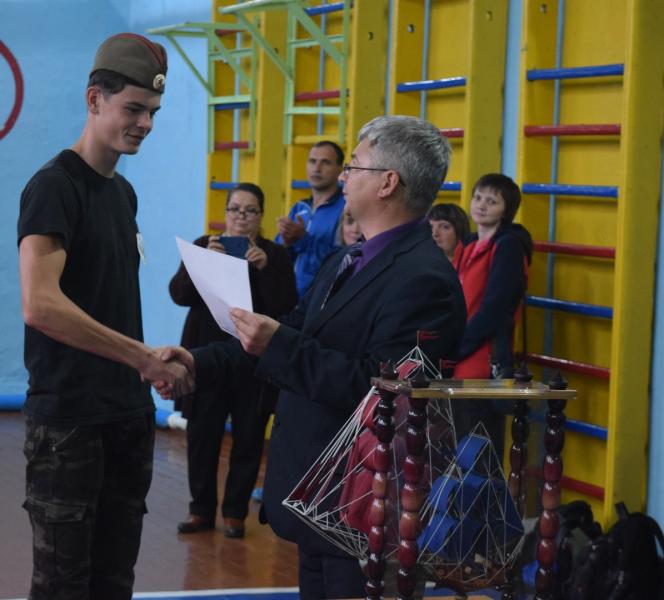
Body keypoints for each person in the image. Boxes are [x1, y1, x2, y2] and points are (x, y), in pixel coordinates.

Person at [158, 115, 467, 599]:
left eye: (354, 165)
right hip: (318, 497)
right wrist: (199, 362)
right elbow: (290, 332)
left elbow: (381, 392)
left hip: (362, 503)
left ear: (387, 182)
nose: (343, 176)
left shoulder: (424, 280)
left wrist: (277, 342)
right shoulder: (345, 259)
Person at [16, 33, 192, 600]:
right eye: (134, 109)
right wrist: (142, 357)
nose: (146, 123)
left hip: (126, 416)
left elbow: (107, 302)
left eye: (153, 111)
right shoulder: (54, 187)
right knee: (63, 588)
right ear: (95, 100)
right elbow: (40, 305)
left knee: (114, 583)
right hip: (70, 424)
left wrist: (152, 356)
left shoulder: (123, 194)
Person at [170, 183, 297, 539]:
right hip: (205, 357)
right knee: (201, 436)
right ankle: (200, 510)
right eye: (235, 209)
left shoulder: (274, 254)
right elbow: (179, 294)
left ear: (261, 216)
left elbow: (286, 306)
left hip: (253, 362)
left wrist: (265, 269)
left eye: (250, 210)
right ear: (225, 212)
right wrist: (203, 264)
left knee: (249, 437)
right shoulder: (204, 245)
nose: (241, 217)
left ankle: (235, 514)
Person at [452, 173, 533, 451]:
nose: (482, 205)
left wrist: (457, 347)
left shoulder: (508, 246)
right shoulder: (468, 243)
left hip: (483, 360)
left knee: (478, 450)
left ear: (506, 210)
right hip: (459, 358)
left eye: (492, 201)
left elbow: (495, 310)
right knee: (454, 447)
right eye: (478, 197)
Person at [276, 141, 346, 297]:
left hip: (324, 299)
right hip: (292, 300)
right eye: (312, 161)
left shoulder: (346, 207)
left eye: (325, 162)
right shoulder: (299, 208)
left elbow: (342, 262)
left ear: (339, 170)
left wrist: (303, 240)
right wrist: (286, 244)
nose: (317, 168)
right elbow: (279, 262)